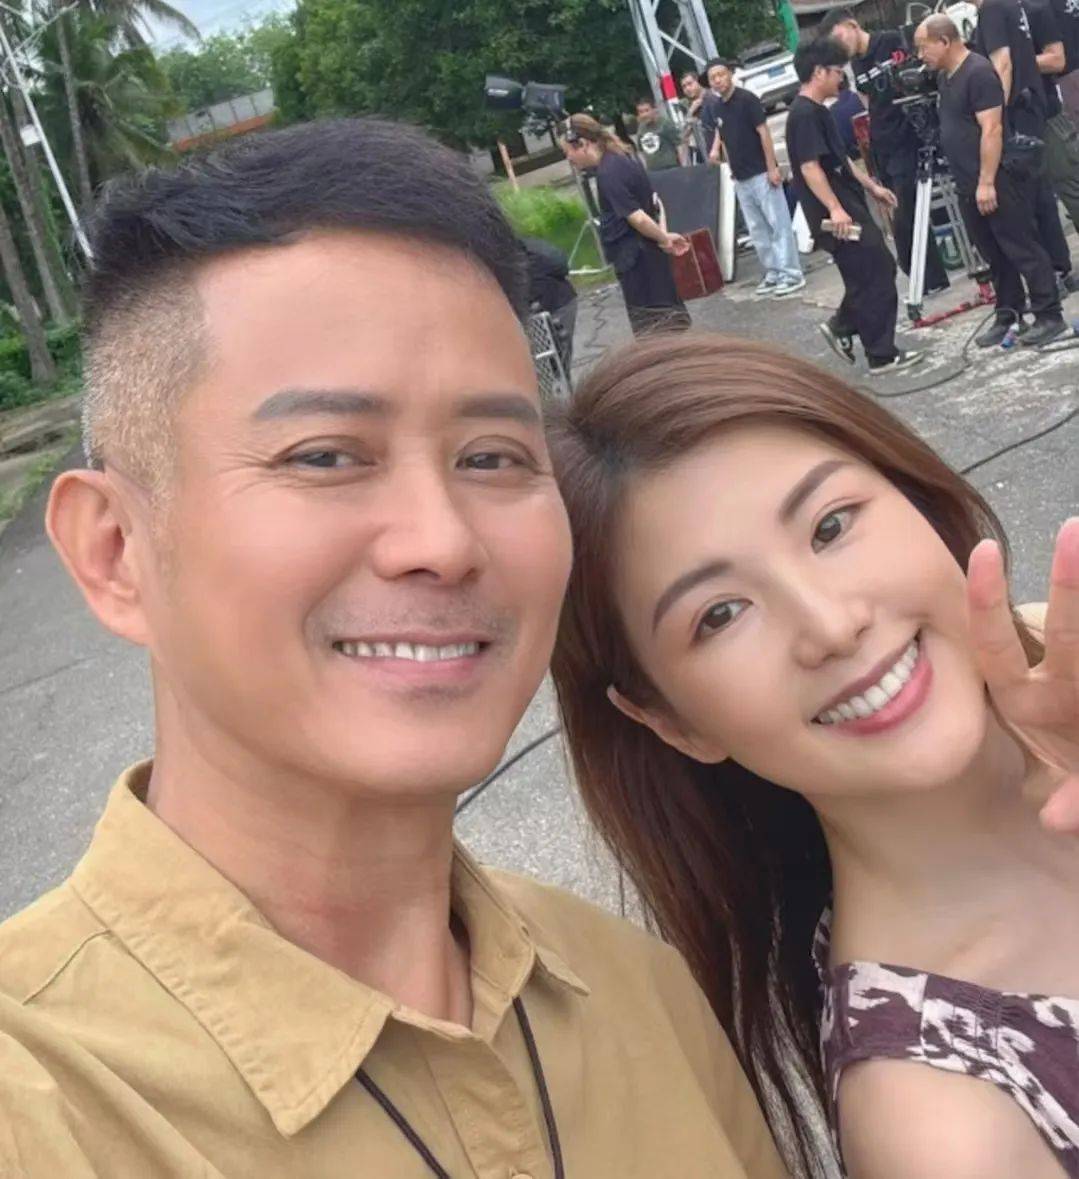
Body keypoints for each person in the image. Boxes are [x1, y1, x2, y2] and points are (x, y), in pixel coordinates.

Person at [0, 119, 787, 1178]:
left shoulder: (641, 991)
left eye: (492, 456)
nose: (442, 542)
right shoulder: (41, 1107)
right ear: (113, 551)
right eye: (325, 456)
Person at [548, 330, 1079, 1179]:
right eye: (719, 615)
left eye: (830, 525)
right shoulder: (943, 1126)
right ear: (671, 721)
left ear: (914, 493)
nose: (830, 625)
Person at [916, 15, 1067, 346]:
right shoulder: (945, 78)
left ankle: (1049, 313)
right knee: (994, 253)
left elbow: (992, 128)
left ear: (944, 41)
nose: (920, 55)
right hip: (966, 181)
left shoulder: (978, 73)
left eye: (923, 47)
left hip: (995, 178)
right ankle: (1009, 312)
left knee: (1022, 246)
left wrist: (987, 181)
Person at [786, 38, 924, 375]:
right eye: (836, 71)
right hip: (836, 214)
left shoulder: (819, 111)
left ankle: (844, 326)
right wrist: (834, 208)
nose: (841, 78)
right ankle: (879, 353)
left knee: (873, 270)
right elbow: (810, 167)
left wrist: (872, 187)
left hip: (848, 202)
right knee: (873, 270)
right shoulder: (803, 115)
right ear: (818, 72)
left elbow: (841, 159)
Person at [822, 7, 951, 296]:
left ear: (852, 26)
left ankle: (928, 277)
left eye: (840, 37)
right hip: (882, 142)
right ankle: (924, 277)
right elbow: (867, 102)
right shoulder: (856, 65)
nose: (840, 46)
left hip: (909, 136)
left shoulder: (890, 41)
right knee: (897, 214)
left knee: (907, 212)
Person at [971, 0, 1075, 288]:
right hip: (1029, 110)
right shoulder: (1003, 10)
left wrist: (997, 109)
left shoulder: (1007, 9)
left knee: (1050, 192)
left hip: (1033, 111)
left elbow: (1010, 63)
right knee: (1040, 196)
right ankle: (1059, 269)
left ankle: (1055, 272)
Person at [561, 113, 692, 336]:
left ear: (582, 144)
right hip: (651, 255)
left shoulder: (608, 174)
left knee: (654, 332)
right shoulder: (622, 158)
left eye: (568, 152)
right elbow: (655, 202)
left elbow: (637, 217)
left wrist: (664, 239)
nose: (569, 159)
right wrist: (663, 236)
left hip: (638, 262)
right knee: (670, 324)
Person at [705, 59, 806, 299]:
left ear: (730, 74)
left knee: (777, 224)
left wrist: (772, 167)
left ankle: (792, 273)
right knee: (757, 229)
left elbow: (764, 133)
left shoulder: (747, 100)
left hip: (761, 171)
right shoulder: (717, 107)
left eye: (721, 74)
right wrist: (729, 164)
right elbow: (724, 136)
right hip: (741, 177)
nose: (718, 80)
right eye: (713, 78)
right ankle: (773, 271)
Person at [1022, 0, 1079, 266]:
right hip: (1054, 94)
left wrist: (1009, 60)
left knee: (1069, 178)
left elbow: (1056, 59)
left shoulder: (1035, 9)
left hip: (1062, 89)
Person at [522, 234, 578, 375]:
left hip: (557, 304)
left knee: (557, 363)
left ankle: (562, 384)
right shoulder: (529, 248)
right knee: (553, 363)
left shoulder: (523, 254)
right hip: (557, 300)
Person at [634, 95, 687, 171]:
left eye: (647, 110)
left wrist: (683, 166)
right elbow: (641, 151)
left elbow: (679, 145)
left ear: (654, 109)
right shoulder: (641, 128)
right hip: (653, 171)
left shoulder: (665, 123)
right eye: (641, 112)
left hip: (670, 168)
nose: (644, 115)